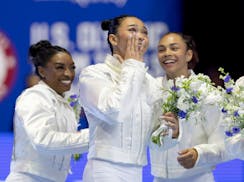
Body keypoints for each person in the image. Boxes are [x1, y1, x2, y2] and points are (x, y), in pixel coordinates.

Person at [78, 15, 176, 182]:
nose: (140, 36)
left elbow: (155, 142)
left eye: (144, 32)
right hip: (104, 169)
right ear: (113, 39)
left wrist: (172, 131)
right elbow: (114, 111)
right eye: (132, 30)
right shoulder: (94, 74)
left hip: (137, 172)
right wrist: (133, 65)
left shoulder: (150, 83)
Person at [5, 40, 89, 182]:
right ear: (42, 71)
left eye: (72, 68)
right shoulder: (34, 97)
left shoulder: (64, 104)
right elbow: (43, 140)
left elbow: (67, 144)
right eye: (60, 68)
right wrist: (93, 136)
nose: (68, 74)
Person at [149, 32, 226, 182]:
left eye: (174, 48)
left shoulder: (206, 92)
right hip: (159, 178)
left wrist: (199, 154)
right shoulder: (152, 89)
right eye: (161, 49)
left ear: (188, 55)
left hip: (198, 177)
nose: (167, 53)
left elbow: (222, 143)